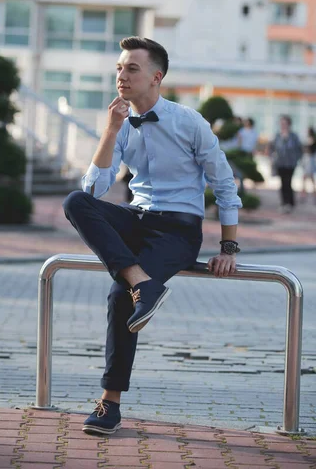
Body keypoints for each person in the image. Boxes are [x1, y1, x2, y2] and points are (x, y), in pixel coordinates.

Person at [63, 37, 242, 436]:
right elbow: (93, 191)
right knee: (76, 201)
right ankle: (141, 282)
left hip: (177, 229)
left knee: (117, 295)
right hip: (136, 218)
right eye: (119, 68)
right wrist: (110, 131)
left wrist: (228, 247)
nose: (121, 76)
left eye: (132, 69)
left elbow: (225, 184)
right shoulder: (122, 124)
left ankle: (109, 404)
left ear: (156, 77)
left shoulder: (189, 122)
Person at [269, 115, 302, 213]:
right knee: (283, 183)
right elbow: (271, 148)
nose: (283, 125)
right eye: (281, 123)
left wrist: (296, 159)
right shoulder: (277, 136)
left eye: (284, 123)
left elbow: (299, 149)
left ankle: (289, 203)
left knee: (288, 182)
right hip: (280, 163)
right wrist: (272, 158)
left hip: (291, 164)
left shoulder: (293, 136)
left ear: (289, 124)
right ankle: (285, 203)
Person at [300, 127, 316, 203]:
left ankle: (305, 195)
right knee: (307, 178)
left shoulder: (312, 140)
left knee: (308, 178)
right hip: (307, 160)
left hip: (310, 160)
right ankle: (304, 195)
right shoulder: (310, 139)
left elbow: (309, 150)